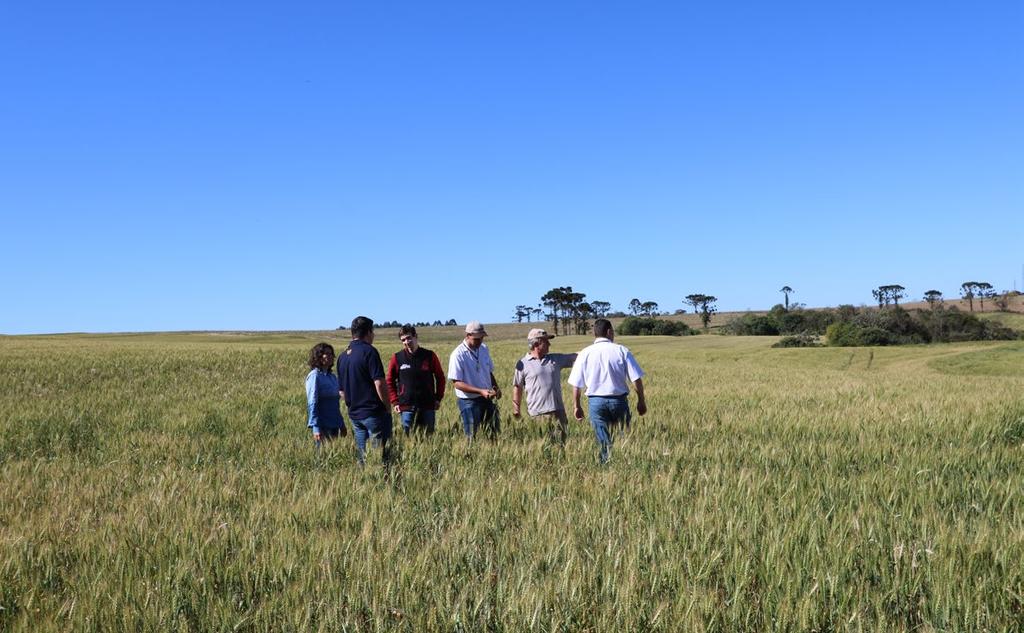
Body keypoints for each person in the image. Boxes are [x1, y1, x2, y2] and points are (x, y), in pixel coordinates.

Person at [568, 318, 647, 464]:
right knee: (624, 438)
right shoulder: (621, 350)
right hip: (619, 401)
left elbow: (576, 385)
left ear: (595, 333)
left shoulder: (585, 353)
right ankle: (625, 465)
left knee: (603, 441)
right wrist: (641, 401)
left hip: (595, 402)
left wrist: (576, 406)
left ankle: (606, 466)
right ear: (609, 332)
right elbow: (636, 379)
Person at [336, 316, 392, 464]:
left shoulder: (342, 356)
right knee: (379, 456)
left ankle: (364, 481)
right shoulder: (370, 352)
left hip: (354, 414)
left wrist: (351, 403)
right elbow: (379, 383)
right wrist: (387, 406)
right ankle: (379, 481)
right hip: (373, 412)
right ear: (368, 332)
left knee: (362, 456)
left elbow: (341, 391)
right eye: (372, 332)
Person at [512, 328, 577, 445]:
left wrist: (595, 350)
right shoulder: (522, 364)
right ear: (536, 344)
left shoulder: (555, 359)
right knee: (542, 448)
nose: (549, 344)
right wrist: (516, 409)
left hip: (558, 412)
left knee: (561, 447)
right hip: (537, 415)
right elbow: (517, 386)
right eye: (546, 341)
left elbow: (575, 357)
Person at [387, 324, 446, 435]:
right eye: (403, 340)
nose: (406, 342)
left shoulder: (429, 356)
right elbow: (389, 381)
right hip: (406, 406)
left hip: (427, 405)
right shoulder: (397, 358)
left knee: (429, 438)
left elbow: (440, 377)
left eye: (409, 338)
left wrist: (438, 398)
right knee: (409, 437)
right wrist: (395, 401)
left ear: (416, 336)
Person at [448, 321, 501, 439]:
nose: (480, 341)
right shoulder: (458, 354)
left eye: (482, 338)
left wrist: (496, 387)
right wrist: (480, 391)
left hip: (487, 399)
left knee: (493, 435)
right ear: (468, 335)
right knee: (472, 436)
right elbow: (457, 383)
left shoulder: (483, 348)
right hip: (469, 401)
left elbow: (489, 371)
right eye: (477, 339)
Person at [305, 342, 347, 447]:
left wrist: (341, 424)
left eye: (331, 354)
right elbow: (312, 402)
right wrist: (316, 427)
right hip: (322, 425)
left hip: (334, 424)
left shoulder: (332, 377)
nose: (330, 356)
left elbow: (335, 405)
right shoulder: (314, 376)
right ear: (318, 357)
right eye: (326, 354)